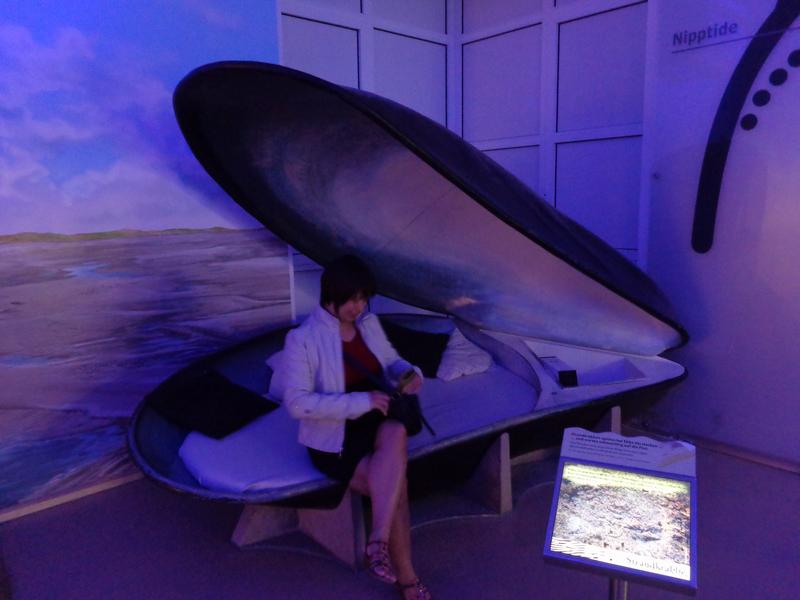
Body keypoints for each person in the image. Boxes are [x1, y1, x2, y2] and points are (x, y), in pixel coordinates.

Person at [281, 255, 432, 600]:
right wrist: (361, 401)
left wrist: (411, 374)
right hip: (333, 437)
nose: (358, 306)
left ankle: (377, 542)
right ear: (330, 295)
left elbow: (392, 362)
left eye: (363, 298)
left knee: (396, 431)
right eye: (351, 299)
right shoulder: (303, 339)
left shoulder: (369, 324)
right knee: (396, 487)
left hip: (377, 419)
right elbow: (297, 403)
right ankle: (408, 580)